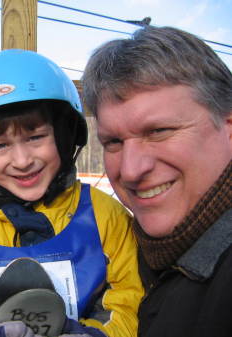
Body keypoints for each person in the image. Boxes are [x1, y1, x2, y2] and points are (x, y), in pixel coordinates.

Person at [0, 49, 144, 337]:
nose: (22, 160)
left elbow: (130, 298)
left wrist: (96, 334)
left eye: (35, 137)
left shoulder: (104, 216)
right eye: (0, 146)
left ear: (63, 135)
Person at [81, 26, 232, 337]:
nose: (131, 170)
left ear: (228, 127)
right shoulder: (135, 255)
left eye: (158, 132)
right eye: (112, 142)